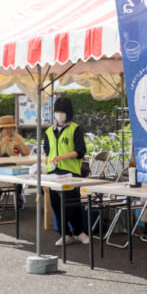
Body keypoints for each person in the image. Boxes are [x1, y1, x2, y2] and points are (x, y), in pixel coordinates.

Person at [43, 95, 92, 246]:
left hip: (70, 172)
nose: (59, 115)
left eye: (62, 112)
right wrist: (43, 165)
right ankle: (65, 234)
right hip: (53, 173)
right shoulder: (49, 131)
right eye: (57, 111)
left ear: (68, 113)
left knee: (72, 203)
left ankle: (79, 232)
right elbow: (46, 151)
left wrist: (63, 157)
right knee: (56, 203)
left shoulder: (74, 129)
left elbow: (80, 151)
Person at [0, 114, 30, 208]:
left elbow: (26, 153)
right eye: (6, 128)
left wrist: (20, 143)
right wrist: (2, 143)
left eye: (12, 128)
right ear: (1, 129)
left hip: (14, 166)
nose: (9, 130)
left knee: (19, 173)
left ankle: (18, 197)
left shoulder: (17, 137)